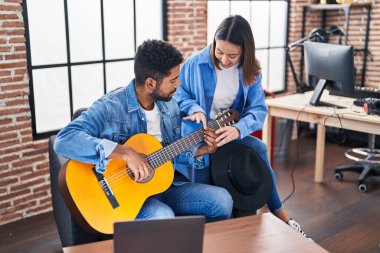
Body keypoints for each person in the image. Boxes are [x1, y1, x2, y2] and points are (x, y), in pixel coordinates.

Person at [54, 39, 233, 222]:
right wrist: (125, 152)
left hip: (161, 188)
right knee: (163, 216)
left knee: (222, 200)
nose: (178, 85)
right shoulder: (110, 107)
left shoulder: (170, 106)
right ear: (150, 83)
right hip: (123, 197)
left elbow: (167, 153)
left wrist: (203, 150)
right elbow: (64, 140)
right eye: (172, 80)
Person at [174, 15, 309, 237]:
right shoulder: (195, 63)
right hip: (198, 135)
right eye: (219, 52)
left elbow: (257, 109)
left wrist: (239, 129)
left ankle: (279, 211)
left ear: (244, 51)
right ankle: (213, 228)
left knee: (259, 148)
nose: (224, 59)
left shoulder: (251, 70)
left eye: (232, 55)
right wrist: (194, 109)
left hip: (228, 133)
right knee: (207, 167)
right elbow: (179, 94)